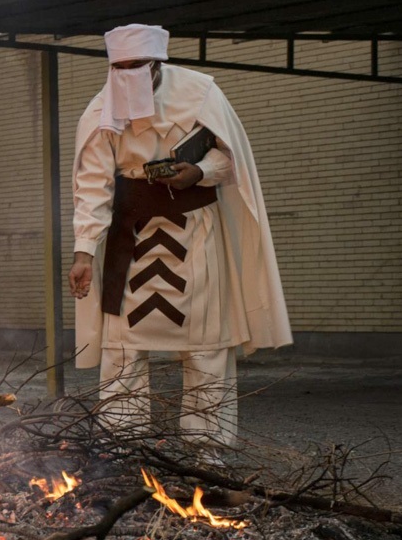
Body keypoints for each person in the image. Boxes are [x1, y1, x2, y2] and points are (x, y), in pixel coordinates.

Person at [68, 24, 291, 451]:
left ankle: (207, 455)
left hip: (195, 234)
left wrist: (200, 173)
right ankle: (122, 451)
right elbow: (93, 186)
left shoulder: (201, 93)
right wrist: (83, 252)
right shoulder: (100, 111)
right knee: (123, 351)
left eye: (138, 66)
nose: (129, 75)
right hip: (129, 241)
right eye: (121, 67)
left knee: (206, 347)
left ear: (158, 64)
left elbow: (231, 161)